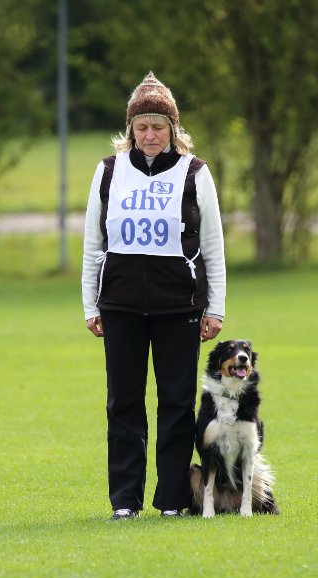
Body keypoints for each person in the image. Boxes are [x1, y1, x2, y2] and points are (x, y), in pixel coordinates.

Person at [82, 72, 226, 520]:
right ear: (131, 129)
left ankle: (171, 501)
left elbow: (213, 246)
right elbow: (93, 244)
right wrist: (90, 305)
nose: (149, 135)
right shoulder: (109, 171)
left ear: (172, 129)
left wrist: (216, 308)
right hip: (120, 305)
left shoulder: (194, 173)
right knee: (123, 403)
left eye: (157, 127)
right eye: (141, 126)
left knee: (177, 404)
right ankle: (125, 501)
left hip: (178, 307)